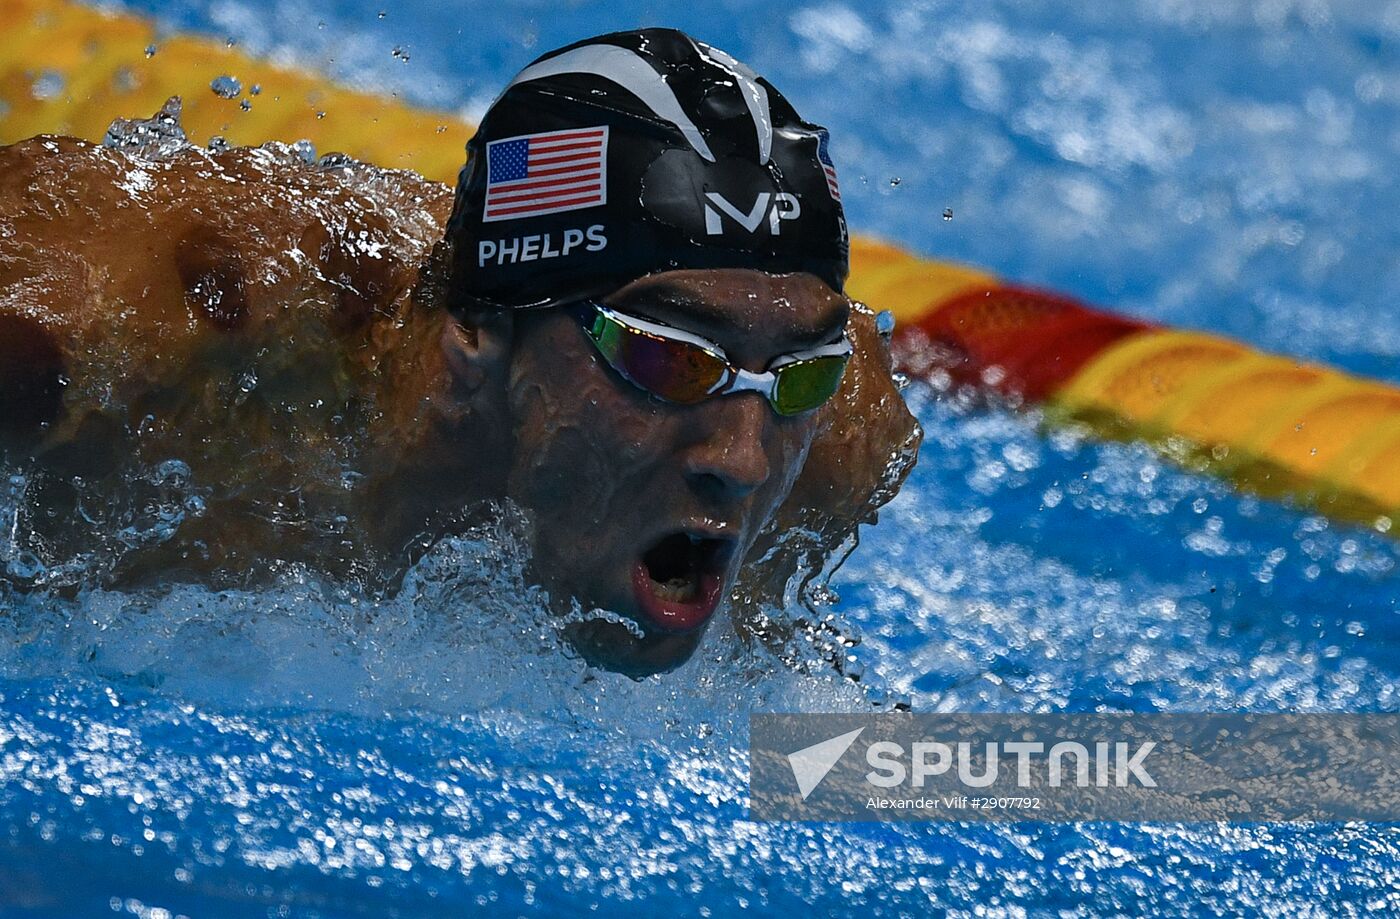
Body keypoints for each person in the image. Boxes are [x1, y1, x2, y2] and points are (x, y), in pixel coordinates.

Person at [0, 29, 920, 674]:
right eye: (669, 358)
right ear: (478, 331)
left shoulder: (829, 445)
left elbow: (817, 762)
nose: (743, 458)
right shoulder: (126, 345)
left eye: (800, 371)